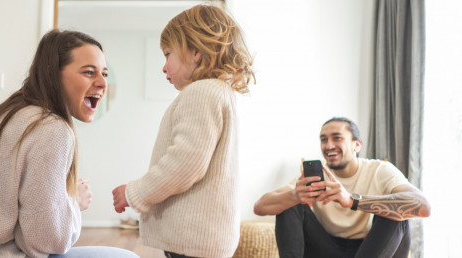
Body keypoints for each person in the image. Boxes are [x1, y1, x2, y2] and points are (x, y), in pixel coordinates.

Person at [0, 30, 138, 258]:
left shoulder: (12, 114)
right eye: (89, 72)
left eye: (104, 73)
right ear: (53, 74)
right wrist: (74, 202)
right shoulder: (51, 128)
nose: (103, 83)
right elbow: (45, 241)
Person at [111, 4, 255, 258]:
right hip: (206, 239)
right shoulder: (222, 93)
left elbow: (184, 164)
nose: (164, 67)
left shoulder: (201, 92)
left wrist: (133, 193)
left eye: (167, 54)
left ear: (195, 52)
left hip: (194, 239)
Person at [253, 117, 431, 258]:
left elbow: (423, 207)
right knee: (288, 202)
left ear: (357, 145)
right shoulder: (317, 174)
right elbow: (260, 207)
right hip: (327, 247)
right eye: (323, 140)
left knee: (395, 212)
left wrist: (352, 200)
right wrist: (295, 195)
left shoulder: (380, 170)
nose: (328, 145)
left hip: (372, 249)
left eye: (337, 138)